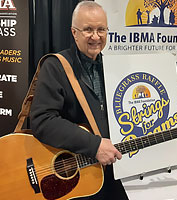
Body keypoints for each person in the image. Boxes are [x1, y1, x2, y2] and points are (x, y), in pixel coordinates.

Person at [30, 1, 129, 200]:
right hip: (72, 179)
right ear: (74, 32)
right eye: (88, 29)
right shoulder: (55, 66)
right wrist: (94, 145)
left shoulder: (113, 68)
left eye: (101, 29)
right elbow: (42, 120)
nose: (96, 36)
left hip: (111, 175)